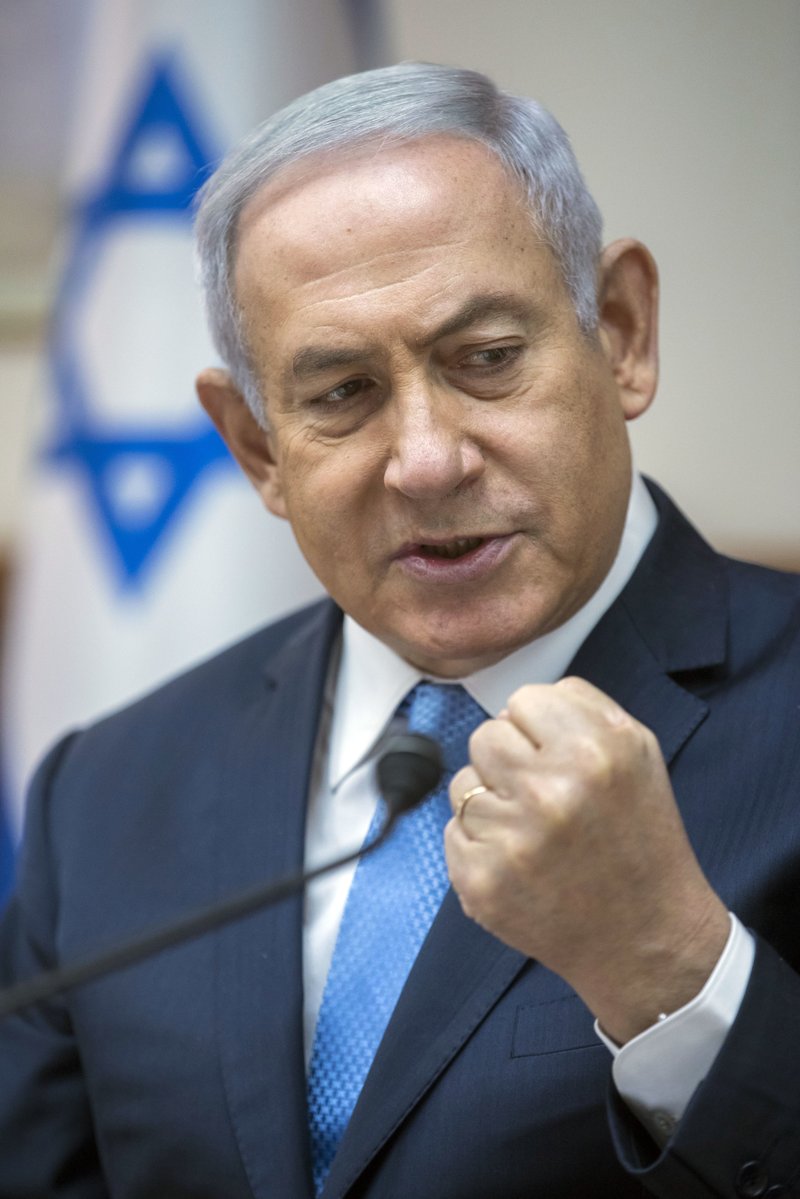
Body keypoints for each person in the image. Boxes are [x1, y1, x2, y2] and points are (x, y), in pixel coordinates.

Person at [1, 62, 798, 1199]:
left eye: (485, 359)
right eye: (340, 395)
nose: (426, 459)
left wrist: (667, 968)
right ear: (257, 448)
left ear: (619, 332)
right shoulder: (108, 792)